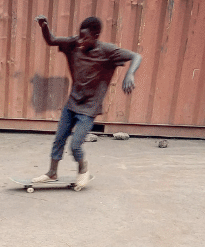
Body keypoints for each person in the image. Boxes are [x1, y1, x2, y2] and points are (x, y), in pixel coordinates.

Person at [32, 15, 142, 187]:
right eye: (79, 35)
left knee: (75, 145)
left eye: (85, 37)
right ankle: (52, 172)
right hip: (72, 103)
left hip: (89, 108)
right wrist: (44, 27)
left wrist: (130, 74)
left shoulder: (107, 51)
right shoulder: (73, 43)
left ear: (96, 35)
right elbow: (52, 40)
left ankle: (83, 170)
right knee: (59, 138)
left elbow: (136, 56)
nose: (81, 40)